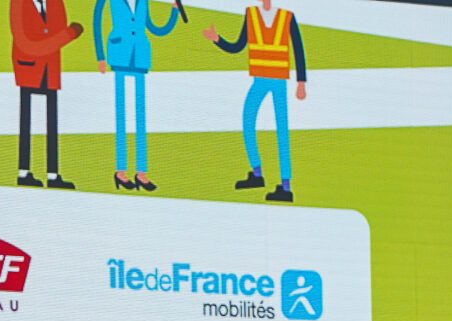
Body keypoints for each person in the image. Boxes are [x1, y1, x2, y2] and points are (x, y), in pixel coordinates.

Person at [206, 0, 308, 202]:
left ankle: (286, 186)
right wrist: (218, 39)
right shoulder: (251, 15)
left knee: (282, 130)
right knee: (248, 120)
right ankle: (257, 173)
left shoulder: (287, 17)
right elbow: (238, 46)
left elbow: (298, 49)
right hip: (260, 79)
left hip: (278, 80)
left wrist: (301, 82)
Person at [93, 0, 182, 191]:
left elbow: (156, 29)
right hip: (119, 53)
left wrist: (174, 11)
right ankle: (121, 171)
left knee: (140, 117)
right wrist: (101, 56)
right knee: (122, 116)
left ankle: (142, 172)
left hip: (140, 56)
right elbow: (97, 20)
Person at [9, 0, 82, 189]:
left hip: (50, 67)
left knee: (51, 121)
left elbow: (58, 28)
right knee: (27, 120)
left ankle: (53, 174)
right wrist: (69, 34)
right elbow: (25, 43)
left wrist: (64, 35)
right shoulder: (19, 3)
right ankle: (23, 172)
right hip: (28, 66)